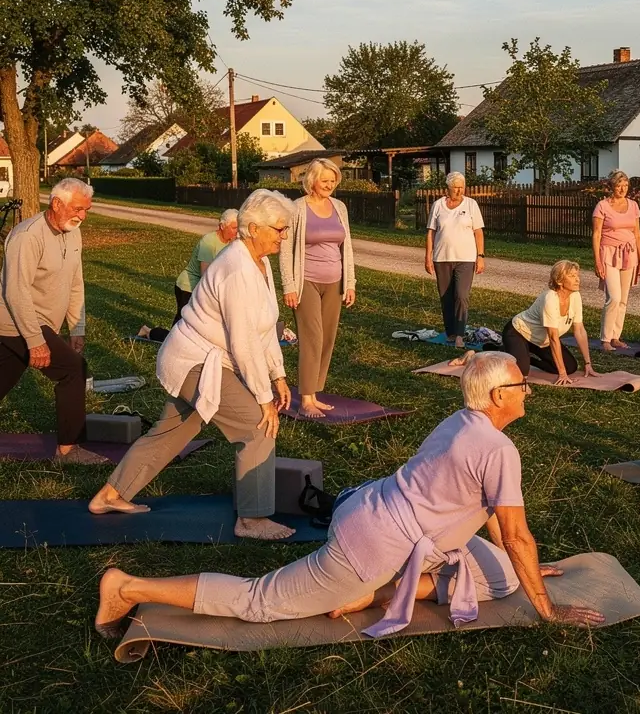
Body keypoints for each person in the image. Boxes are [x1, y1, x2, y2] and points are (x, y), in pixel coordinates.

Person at [94, 351, 604, 638]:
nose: (527, 390)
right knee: (259, 601)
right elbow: (516, 534)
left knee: (501, 579)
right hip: (369, 545)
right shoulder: (499, 449)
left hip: (367, 506)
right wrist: (547, 609)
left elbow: (496, 518)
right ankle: (128, 587)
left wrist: (521, 567)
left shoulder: (461, 421)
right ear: (497, 397)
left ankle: (375, 593)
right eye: (521, 385)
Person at [89, 190, 297, 541]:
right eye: (279, 228)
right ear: (253, 228)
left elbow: (264, 328)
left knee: (171, 432)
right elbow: (243, 341)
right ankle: (252, 520)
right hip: (195, 361)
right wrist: (264, 398)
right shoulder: (235, 269)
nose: (284, 235)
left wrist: (278, 375)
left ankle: (109, 495)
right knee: (258, 427)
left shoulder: (260, 264)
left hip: (205, 360)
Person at [0, 178, 105, 464]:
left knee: (4, 378)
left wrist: (77, 327)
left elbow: (75, 282)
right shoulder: (27, 236)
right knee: (73, 370)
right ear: (57, 203)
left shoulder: (73, 233)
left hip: (41, 324)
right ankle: (68, 451)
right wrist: (35, 341)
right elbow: (16, 292)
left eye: (86, 210)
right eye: (77, 209)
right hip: (16, 323)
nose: (82, 216)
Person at [279, 158, 356, 419]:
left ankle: (314, 392)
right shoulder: (297, 208)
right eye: (325, 180)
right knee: (312, 337)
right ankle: (305, 399)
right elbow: (285, 250)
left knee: (327, 338)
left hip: (335, 281)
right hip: (306, 282)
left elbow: (347, 247)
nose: (330, 185)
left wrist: (350, 283)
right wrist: (289, 286)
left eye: (333, 181)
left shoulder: (339, 207)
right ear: (312, 180)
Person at [453, 260, 596, 387]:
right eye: (572, 276)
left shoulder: (575, 296)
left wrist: (588, 364)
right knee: (521, 373)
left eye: (577, 275)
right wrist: (562, 374)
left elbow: (579, 330)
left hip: (540, 340)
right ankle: (474, 356)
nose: (577, 279)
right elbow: (553, 338)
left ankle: (520, 356)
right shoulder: (550, 299)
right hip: (518, 333)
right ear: (559, 281)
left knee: (571, 367)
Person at [424, 172, 485, 348]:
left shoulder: (471, 204)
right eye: (455, 187)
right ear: (448, 188)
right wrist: (428, 256)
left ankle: (459, 334)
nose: (459, 190)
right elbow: (431, 232)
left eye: (461, 187)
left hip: (466, 258)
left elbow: (478, 232)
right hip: (442, 257)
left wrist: (480, 256)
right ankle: (450, 332)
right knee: (446, 296)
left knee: (461, 295)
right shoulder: (438, 205)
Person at [592, 170, 640, 350]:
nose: (622, 189)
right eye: (619, 185)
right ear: (612, 187)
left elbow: (637, 234)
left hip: (630, 254)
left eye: (625, 185)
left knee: (623, 299)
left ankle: (616, 336)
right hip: (608, 253)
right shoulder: (602, 206)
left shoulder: (633, 206)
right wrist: (597, 261)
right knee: (613, 297)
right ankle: (605, 339)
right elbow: (596, 234)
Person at [171, 209, 238, 323]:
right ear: (222, 226)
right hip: (189, 286)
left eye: (238, 228)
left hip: (205, 288)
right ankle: (150, 331)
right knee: (183, 324)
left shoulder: (231, 244)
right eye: (234, 228)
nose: (236, 232)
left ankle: (149, 331)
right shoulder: (208, 242)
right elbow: (205, 274)